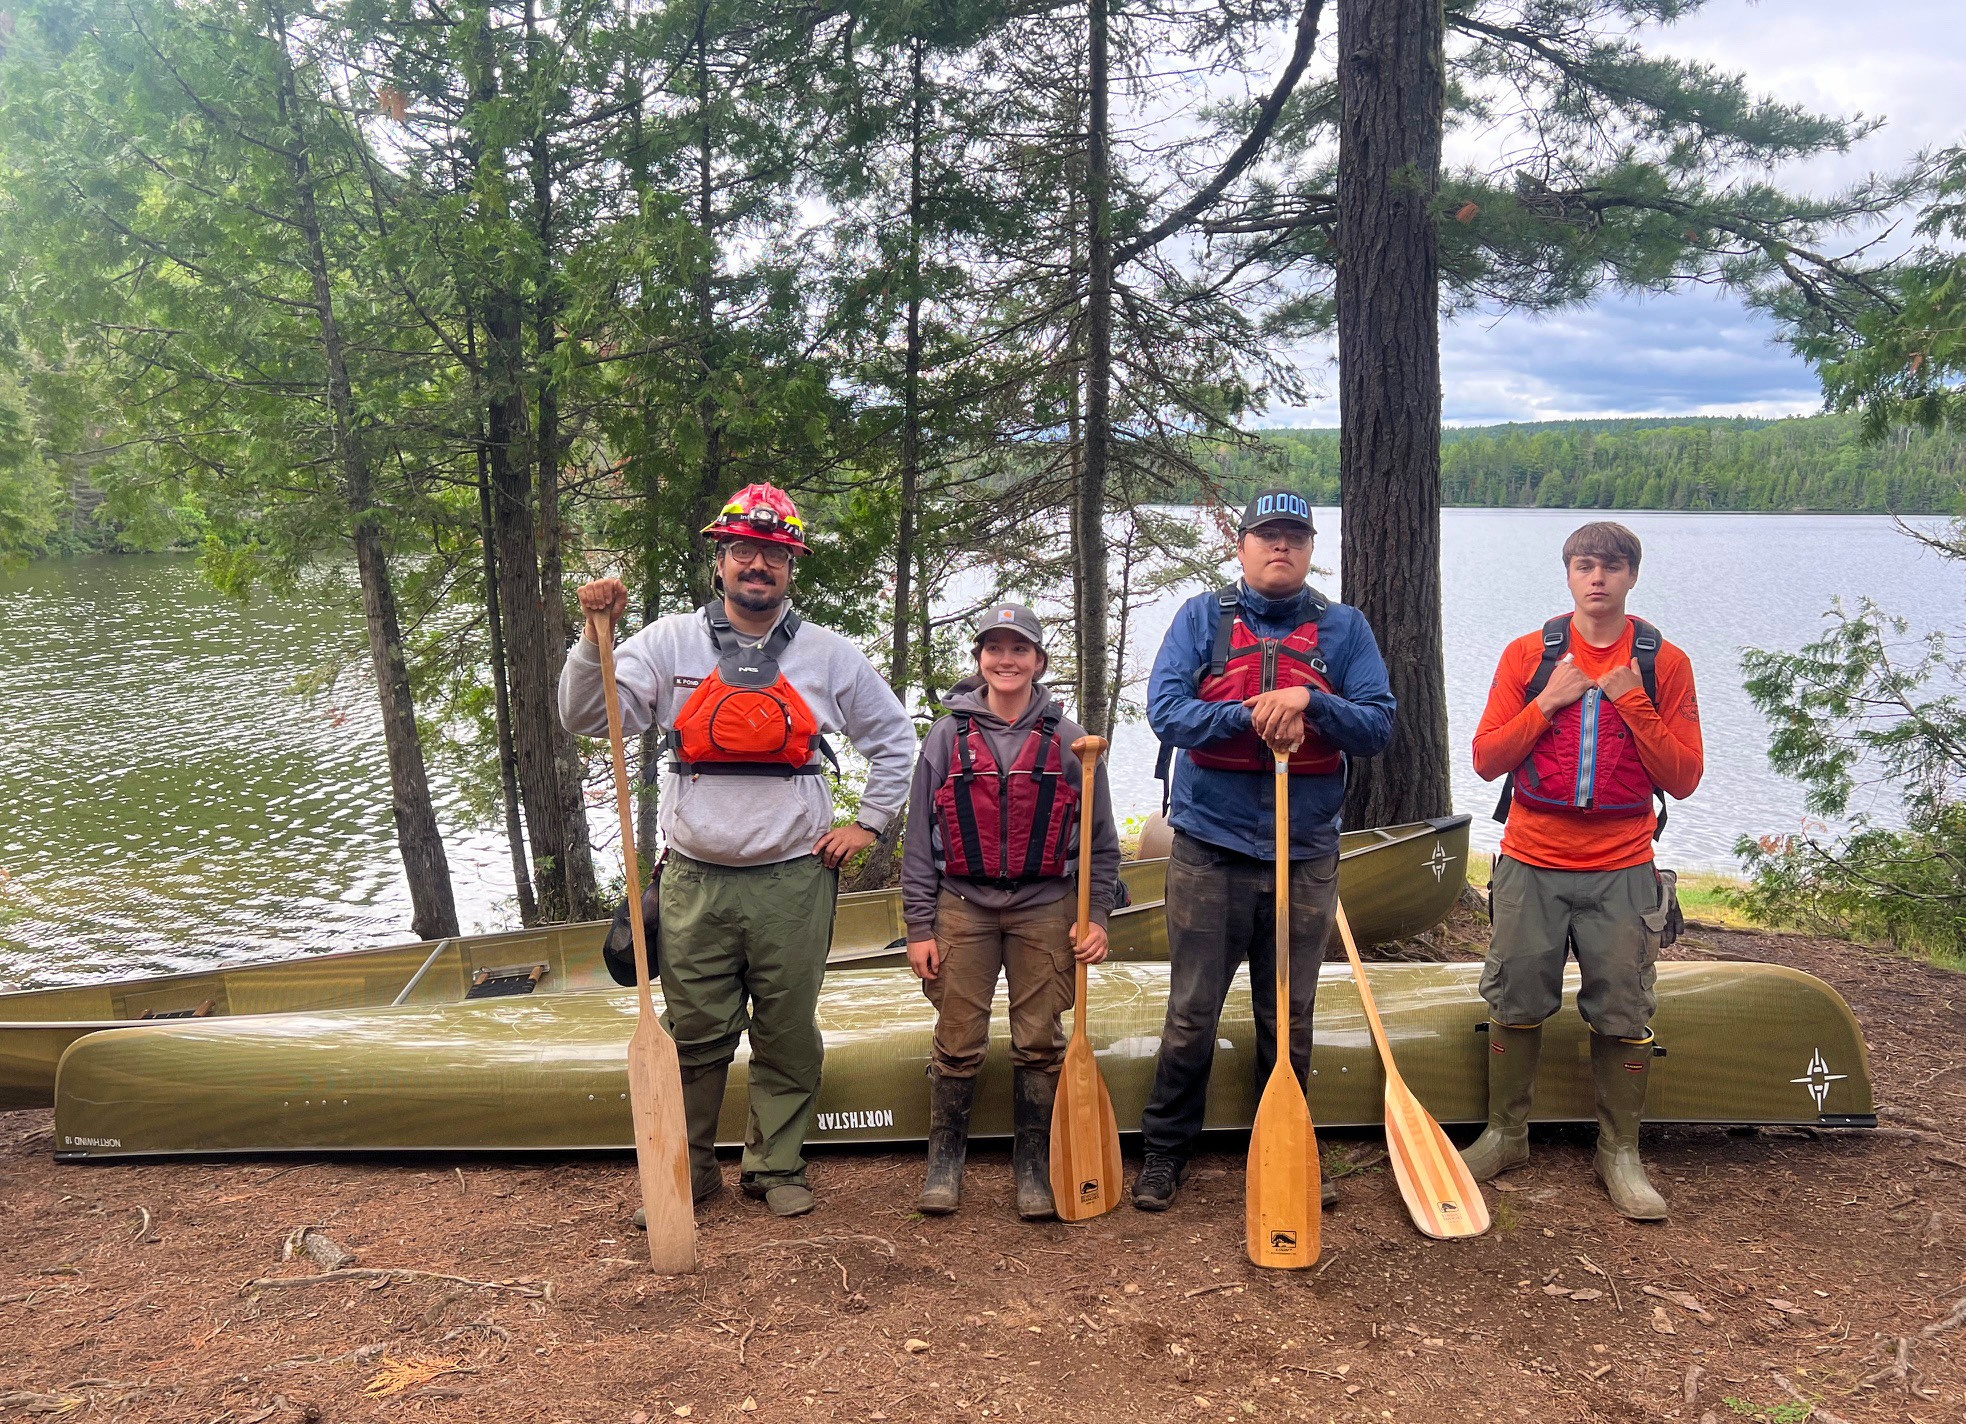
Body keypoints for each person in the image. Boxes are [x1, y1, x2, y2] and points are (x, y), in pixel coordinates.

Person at [560, 482, 916, 1219]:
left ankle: (775, 1166)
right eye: (745, 551)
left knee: (787, 1031)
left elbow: (894, 741)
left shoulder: (828, 655)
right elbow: (589, 717)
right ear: (720, 561)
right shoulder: (666, 643)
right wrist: (593, 637)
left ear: (791, 568)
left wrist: (871, 825)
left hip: (793, 878)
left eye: (775, 555)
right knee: (695, 1034)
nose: (759, 566)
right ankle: (687, 1173)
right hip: (696, 880)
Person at [1133, 488, 1396, 1211]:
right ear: (1242, 547)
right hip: (1209, 850)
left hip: (1303, 851)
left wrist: (1311, 702)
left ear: (1310, 551)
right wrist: (1252, 713)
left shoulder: (1343, 630)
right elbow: (1167, 712)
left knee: (1290, 1013)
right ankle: (1164, 1151)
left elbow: (1377, 726)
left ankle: (1282, 1147)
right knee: (1191, 1009)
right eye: (1266, 536)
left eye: (1294, 537)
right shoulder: (1201, 618)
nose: (1280, 547)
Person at [1467, 520, 1703, 1221]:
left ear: (1632, 578)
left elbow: (1684, 776)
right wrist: (1549, 701)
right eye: (1584, 565)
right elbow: (1485, 759)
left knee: (1625, 1008)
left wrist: (1631, 699)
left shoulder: (1665, 665)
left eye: (1612, 566)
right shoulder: (1527, 657)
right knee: (1514, 998)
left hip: (1624, 865)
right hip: (1532, 860)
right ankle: (1506, 1135)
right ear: (1568, 575)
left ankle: (1619, 1151)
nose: (1597, 577)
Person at [900, 604, 1121, 1221]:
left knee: (1038, 1042)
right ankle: (945, 1162)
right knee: (957, 1039)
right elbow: (919, 839)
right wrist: (919, 926)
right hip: (962, 907)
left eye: (1018, 649)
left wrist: (1097, 913)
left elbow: (1101, 841)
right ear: (979, 661)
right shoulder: (946, 736)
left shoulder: (1071, 739)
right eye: (994, 649)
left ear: (1038, 662)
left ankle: (1033, 1167)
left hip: (1045, 907)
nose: (1005, 660)